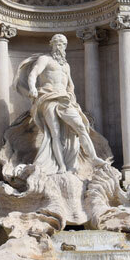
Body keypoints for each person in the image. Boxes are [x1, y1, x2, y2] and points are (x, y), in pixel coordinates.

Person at [16, 33, 105, 174]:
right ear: (51, 44)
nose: (60, 46)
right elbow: (33, 74)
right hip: (48, 98)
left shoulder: (66, 65)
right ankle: (61, 165)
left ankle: (93, 158)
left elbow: (70, 85)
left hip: (65, 99)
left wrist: (73, 100)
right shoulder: (44, 59)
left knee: (81, 127)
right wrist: (32, 88)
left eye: (63, 43)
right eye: (57, 43)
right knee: (55, 133)